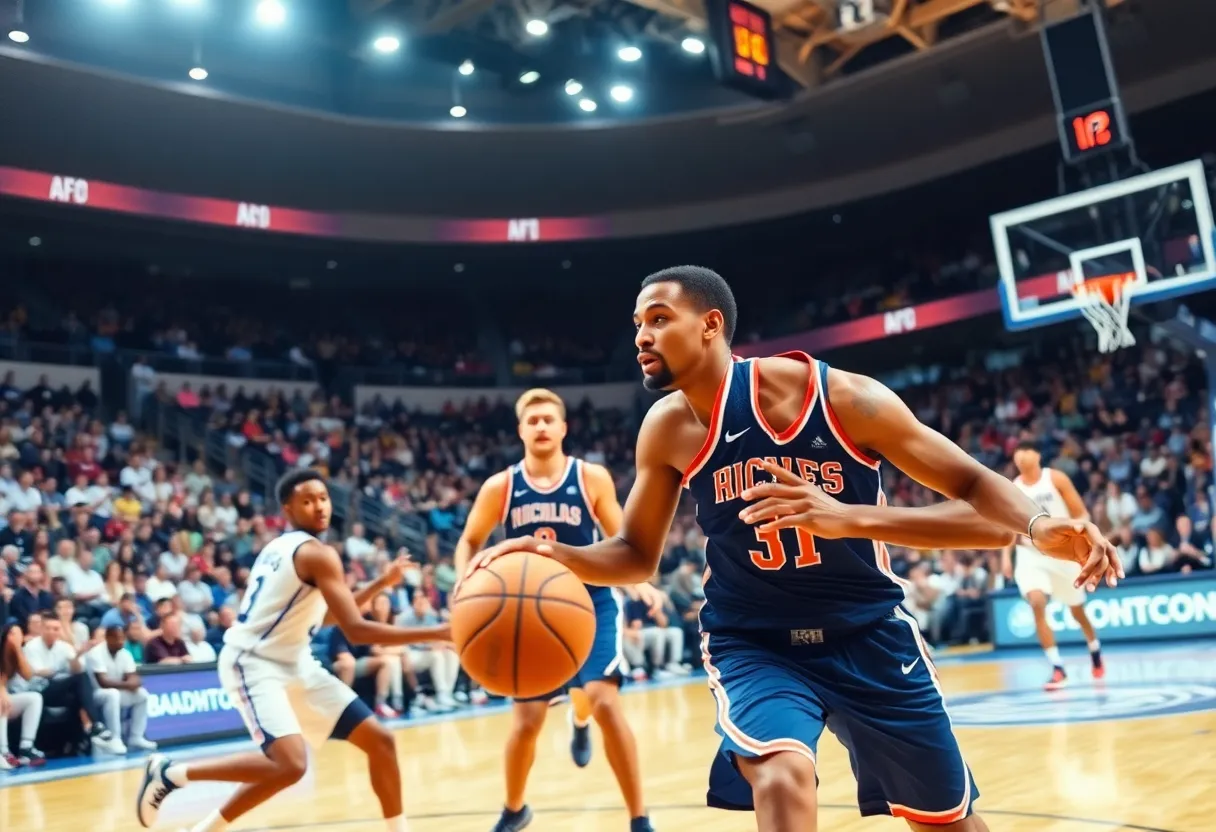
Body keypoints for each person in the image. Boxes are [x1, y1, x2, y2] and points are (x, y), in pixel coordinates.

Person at [470, 266, 1122, 832]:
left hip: (867, 632)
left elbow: (978, 495)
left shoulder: (844, 399)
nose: (640, 335)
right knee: (781, 777)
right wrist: (554, 556)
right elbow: (636, 557)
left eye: (659, 318)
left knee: (947, 821)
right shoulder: (667, 428)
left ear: (710, 324)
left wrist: (1031, 526)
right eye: (637, 322)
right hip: (753, 642)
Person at [136, 469, 451, 832]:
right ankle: (172, 772)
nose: (319, 507)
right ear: (287, 509)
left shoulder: (279, 546)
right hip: (252, 663)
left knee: (379, 741)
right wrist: (440, 631)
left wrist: (381, 583)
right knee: (289, 765)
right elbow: (357, 630)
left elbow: (327, 618)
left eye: (323, 498)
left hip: (294, 660)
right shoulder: (316, 554)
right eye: (307, 501)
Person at [454, 388, 663, 832]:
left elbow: (623, 539)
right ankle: (515, 809)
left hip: (592, 601)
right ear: (520, 430)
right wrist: (464, 577)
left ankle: (639, 818)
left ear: (564, 427)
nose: (542, 426)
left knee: (604, 701)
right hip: (524, 611)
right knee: (527, 720)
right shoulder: (502, 486)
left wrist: (641, 581)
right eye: (533, 421)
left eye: (550, 419)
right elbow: (470, 540)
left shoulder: (590, 478)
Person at [1001, 441, 1104, 689]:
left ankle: (1094, 649)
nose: (1021, 455)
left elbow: (1081, 514)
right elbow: (1008, 526)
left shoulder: (1055, 478)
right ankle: (1058, 668)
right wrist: (1006, 556)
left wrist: (1079, 540)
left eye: (1027, 450)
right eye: (1018, 452)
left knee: (1077, 612)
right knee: (1036, 602)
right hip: (1030, 554)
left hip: (1062, 551)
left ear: (1037, 455)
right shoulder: (1012, 488)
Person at [88, 625, 157, 752]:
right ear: (108, 638)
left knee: (142, 695)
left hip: (116, 692)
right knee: (112, 694)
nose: (121, 641)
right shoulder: (95, 653)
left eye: (122, 638)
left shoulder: (125, 653)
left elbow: (134, 678)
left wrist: (132, 683)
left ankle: (136, 737)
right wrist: (129, 684)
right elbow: (103, 682)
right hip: (94, 696)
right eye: (117, 638)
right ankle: (115, 739)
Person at [1, 623, 47, 769]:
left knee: (34, 698)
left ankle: (26, 747)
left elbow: (28, 675)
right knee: (2, 701)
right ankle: (4, 752)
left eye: (20, 634)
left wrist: (18, 649)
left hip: (4, 699)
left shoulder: (15, 654)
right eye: (13, 634)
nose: (16, 637)